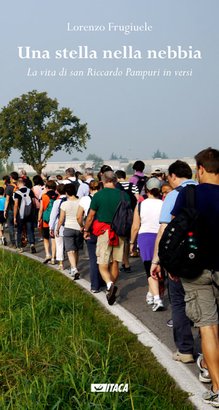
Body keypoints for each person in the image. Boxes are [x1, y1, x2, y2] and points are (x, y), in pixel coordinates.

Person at [171, 148, 219, 407]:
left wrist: (167, 261)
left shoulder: (188, 195)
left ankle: (217, 387)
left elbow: (175, 229)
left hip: (195, 267)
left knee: (208, 327)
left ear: (200, 168)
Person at [151, 160, 196, 363]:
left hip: (179, 260)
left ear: (173, 176)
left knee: (178, 303)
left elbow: (163, 231)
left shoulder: (174, 196)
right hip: (206, 258)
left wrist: (157, 260)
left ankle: (185, 350)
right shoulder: (207, 191)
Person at [83, 171, 130, 305]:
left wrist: (86, 230)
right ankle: (111, 288)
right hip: (120, 232)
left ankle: (109, 285)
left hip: (104, 231)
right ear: (115, 181)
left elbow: (91, 216)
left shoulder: (98, 195)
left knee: (102, 264)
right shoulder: (124, 195)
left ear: (102, 181)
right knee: (115, 262)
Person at [130, 177, 163, 311]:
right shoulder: (163, 203)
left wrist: (132, 242)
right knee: (158, 266)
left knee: (149, 267)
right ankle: (151, 293)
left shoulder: (140, 204)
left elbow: (135, 226)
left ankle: (157, 298)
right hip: (160, 236)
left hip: (145, 237)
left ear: (147, 189)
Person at [77, 180, 104, 292]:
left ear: (89, 189)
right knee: (103, 258)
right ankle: (104, 280)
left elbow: (79, 216)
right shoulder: (103, 198)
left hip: (91, 230)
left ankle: (95, 285)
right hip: (103, 230)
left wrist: (82, 227)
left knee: (93, 258)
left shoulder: (84, 199)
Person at [56, 183, 83, 279]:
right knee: (76, 250)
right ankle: (73, 267)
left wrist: (57, 228)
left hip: (68, 228)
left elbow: (61, 218)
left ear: (66, 192)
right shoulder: (80, 202)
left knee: (70, 250)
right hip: (79, 228)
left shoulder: (64, 204)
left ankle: (74, 268)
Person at [13, 177, 36, 253]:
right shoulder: (30, 191)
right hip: (29, 214)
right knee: (30, 230)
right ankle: (32, 244)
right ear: (24, 183)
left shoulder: (17, 193)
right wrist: (33, 212)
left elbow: (16, 205)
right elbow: (33, 203)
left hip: (21, 215)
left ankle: (20, 247)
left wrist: (15, 217)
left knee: (19, 230)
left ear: (18, 184)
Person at [38, 180, 58, 264]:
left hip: (46, 221)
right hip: (55, 221)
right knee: (53, 239)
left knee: (46, 238)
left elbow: (41, 209)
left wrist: (39, 220)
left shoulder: (44, 196)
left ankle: (47, 254)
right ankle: (53, 257)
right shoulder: (58, 196)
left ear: (47, 188)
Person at [49, 184, 66, 270]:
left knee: (59, 245)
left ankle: (61, 263)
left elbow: (53, 216)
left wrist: (51, 227)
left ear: (57, 191)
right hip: (70, 225)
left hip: (59, 226)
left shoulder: (57, 202)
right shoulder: (70, 200)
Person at [4, 171, 19, 247]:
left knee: (11, 226)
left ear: (11, 178)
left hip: (11, 208)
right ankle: (21, 242)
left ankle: (13, 243)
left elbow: (7, 200)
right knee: (20, 226)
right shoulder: (20, 186)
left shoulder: (9, 187)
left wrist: (5, 210)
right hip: (20, 209)